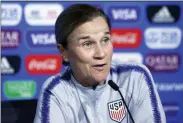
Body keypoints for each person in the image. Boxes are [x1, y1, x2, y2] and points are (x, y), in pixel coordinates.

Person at [34, 4, 166, 123]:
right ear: (64, 52)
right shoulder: (56, 91)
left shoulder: (135, 77)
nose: (101, 53)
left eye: (105, 40)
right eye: (87, 44)